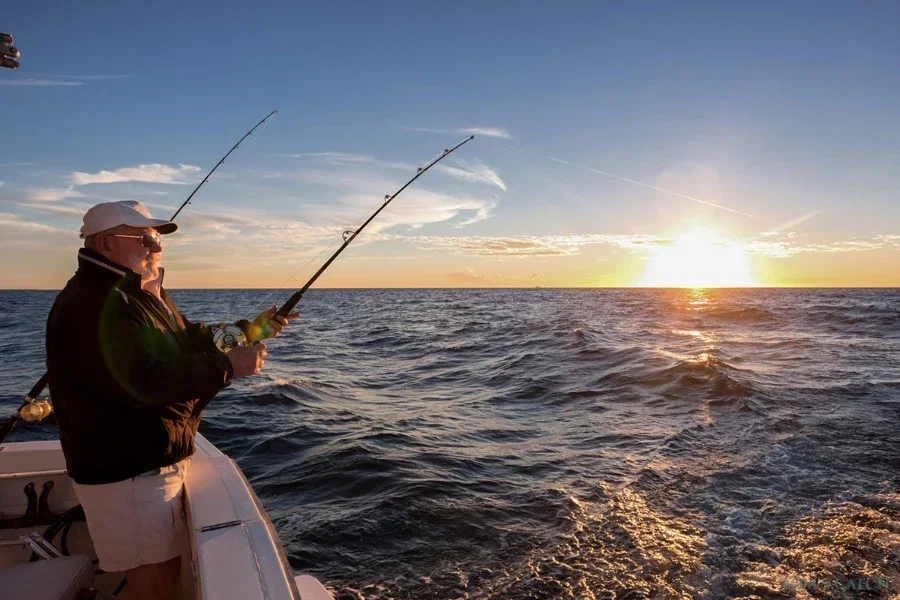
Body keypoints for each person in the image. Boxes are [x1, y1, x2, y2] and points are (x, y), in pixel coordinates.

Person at [45, 200, 299, 600]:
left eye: (157, 239)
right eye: (146, 238)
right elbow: (144, 382)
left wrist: (251, 330)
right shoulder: (92, 304)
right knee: (154, 585)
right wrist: (228, 366)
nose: (156, 247)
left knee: (163, 576)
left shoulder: (135, 294)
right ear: (106, 243)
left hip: (144, 463)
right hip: (128, 470)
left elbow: (186, 340)